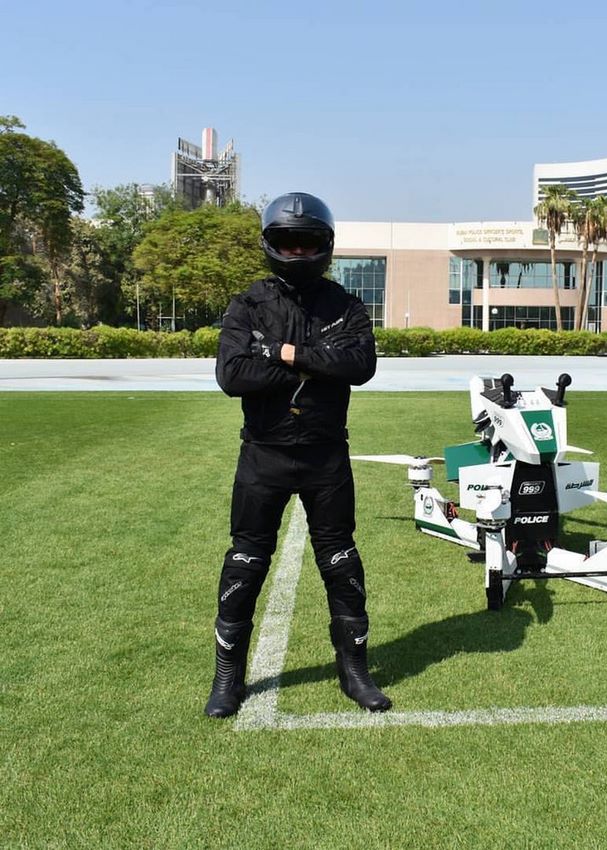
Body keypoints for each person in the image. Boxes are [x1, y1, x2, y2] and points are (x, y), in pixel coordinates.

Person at [204, 192, 391, 718]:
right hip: (263, 456)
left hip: (325, 456)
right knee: (244, 563)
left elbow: (360, 365)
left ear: (325, 247)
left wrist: (283, 353)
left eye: (307, 243)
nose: (296, 252)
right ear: (268, 244)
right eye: (286, 242)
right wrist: (316, 364)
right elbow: (232, 375)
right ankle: (227, 680)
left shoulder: (346, 305)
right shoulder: (248, 304)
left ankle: (355, 671)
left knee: (341, 562)